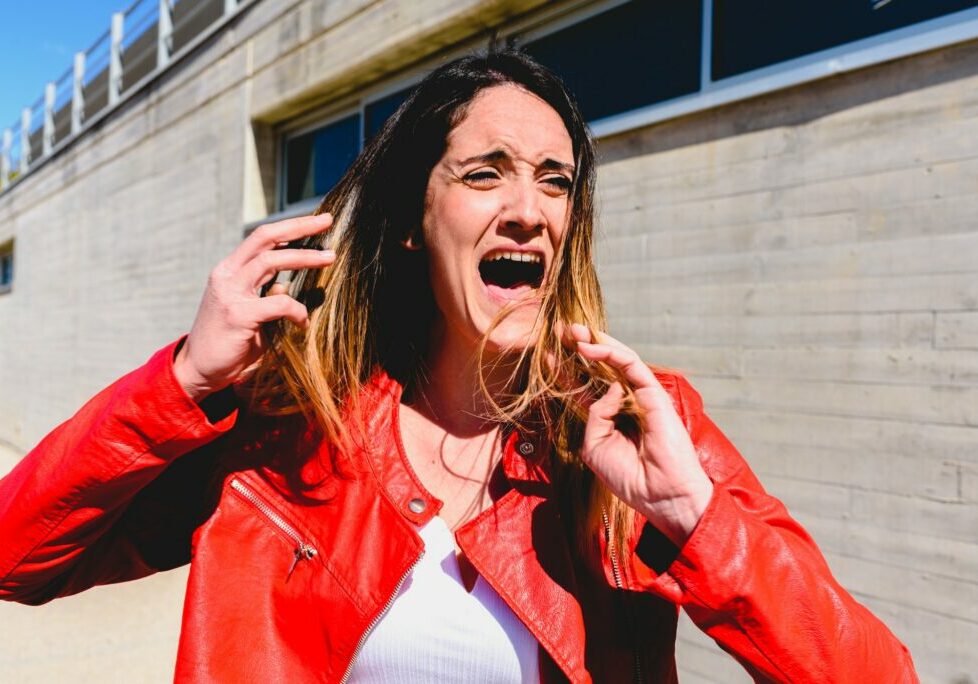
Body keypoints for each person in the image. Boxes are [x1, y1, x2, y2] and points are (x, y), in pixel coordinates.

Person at [0, 51, 917, 683]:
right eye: (487, 173)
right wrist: (183, 384)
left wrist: (694, 519)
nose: (530, 208)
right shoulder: (291, 428)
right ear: (411, 224)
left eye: (556, 182)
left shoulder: (641, 429)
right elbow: (18, 554)